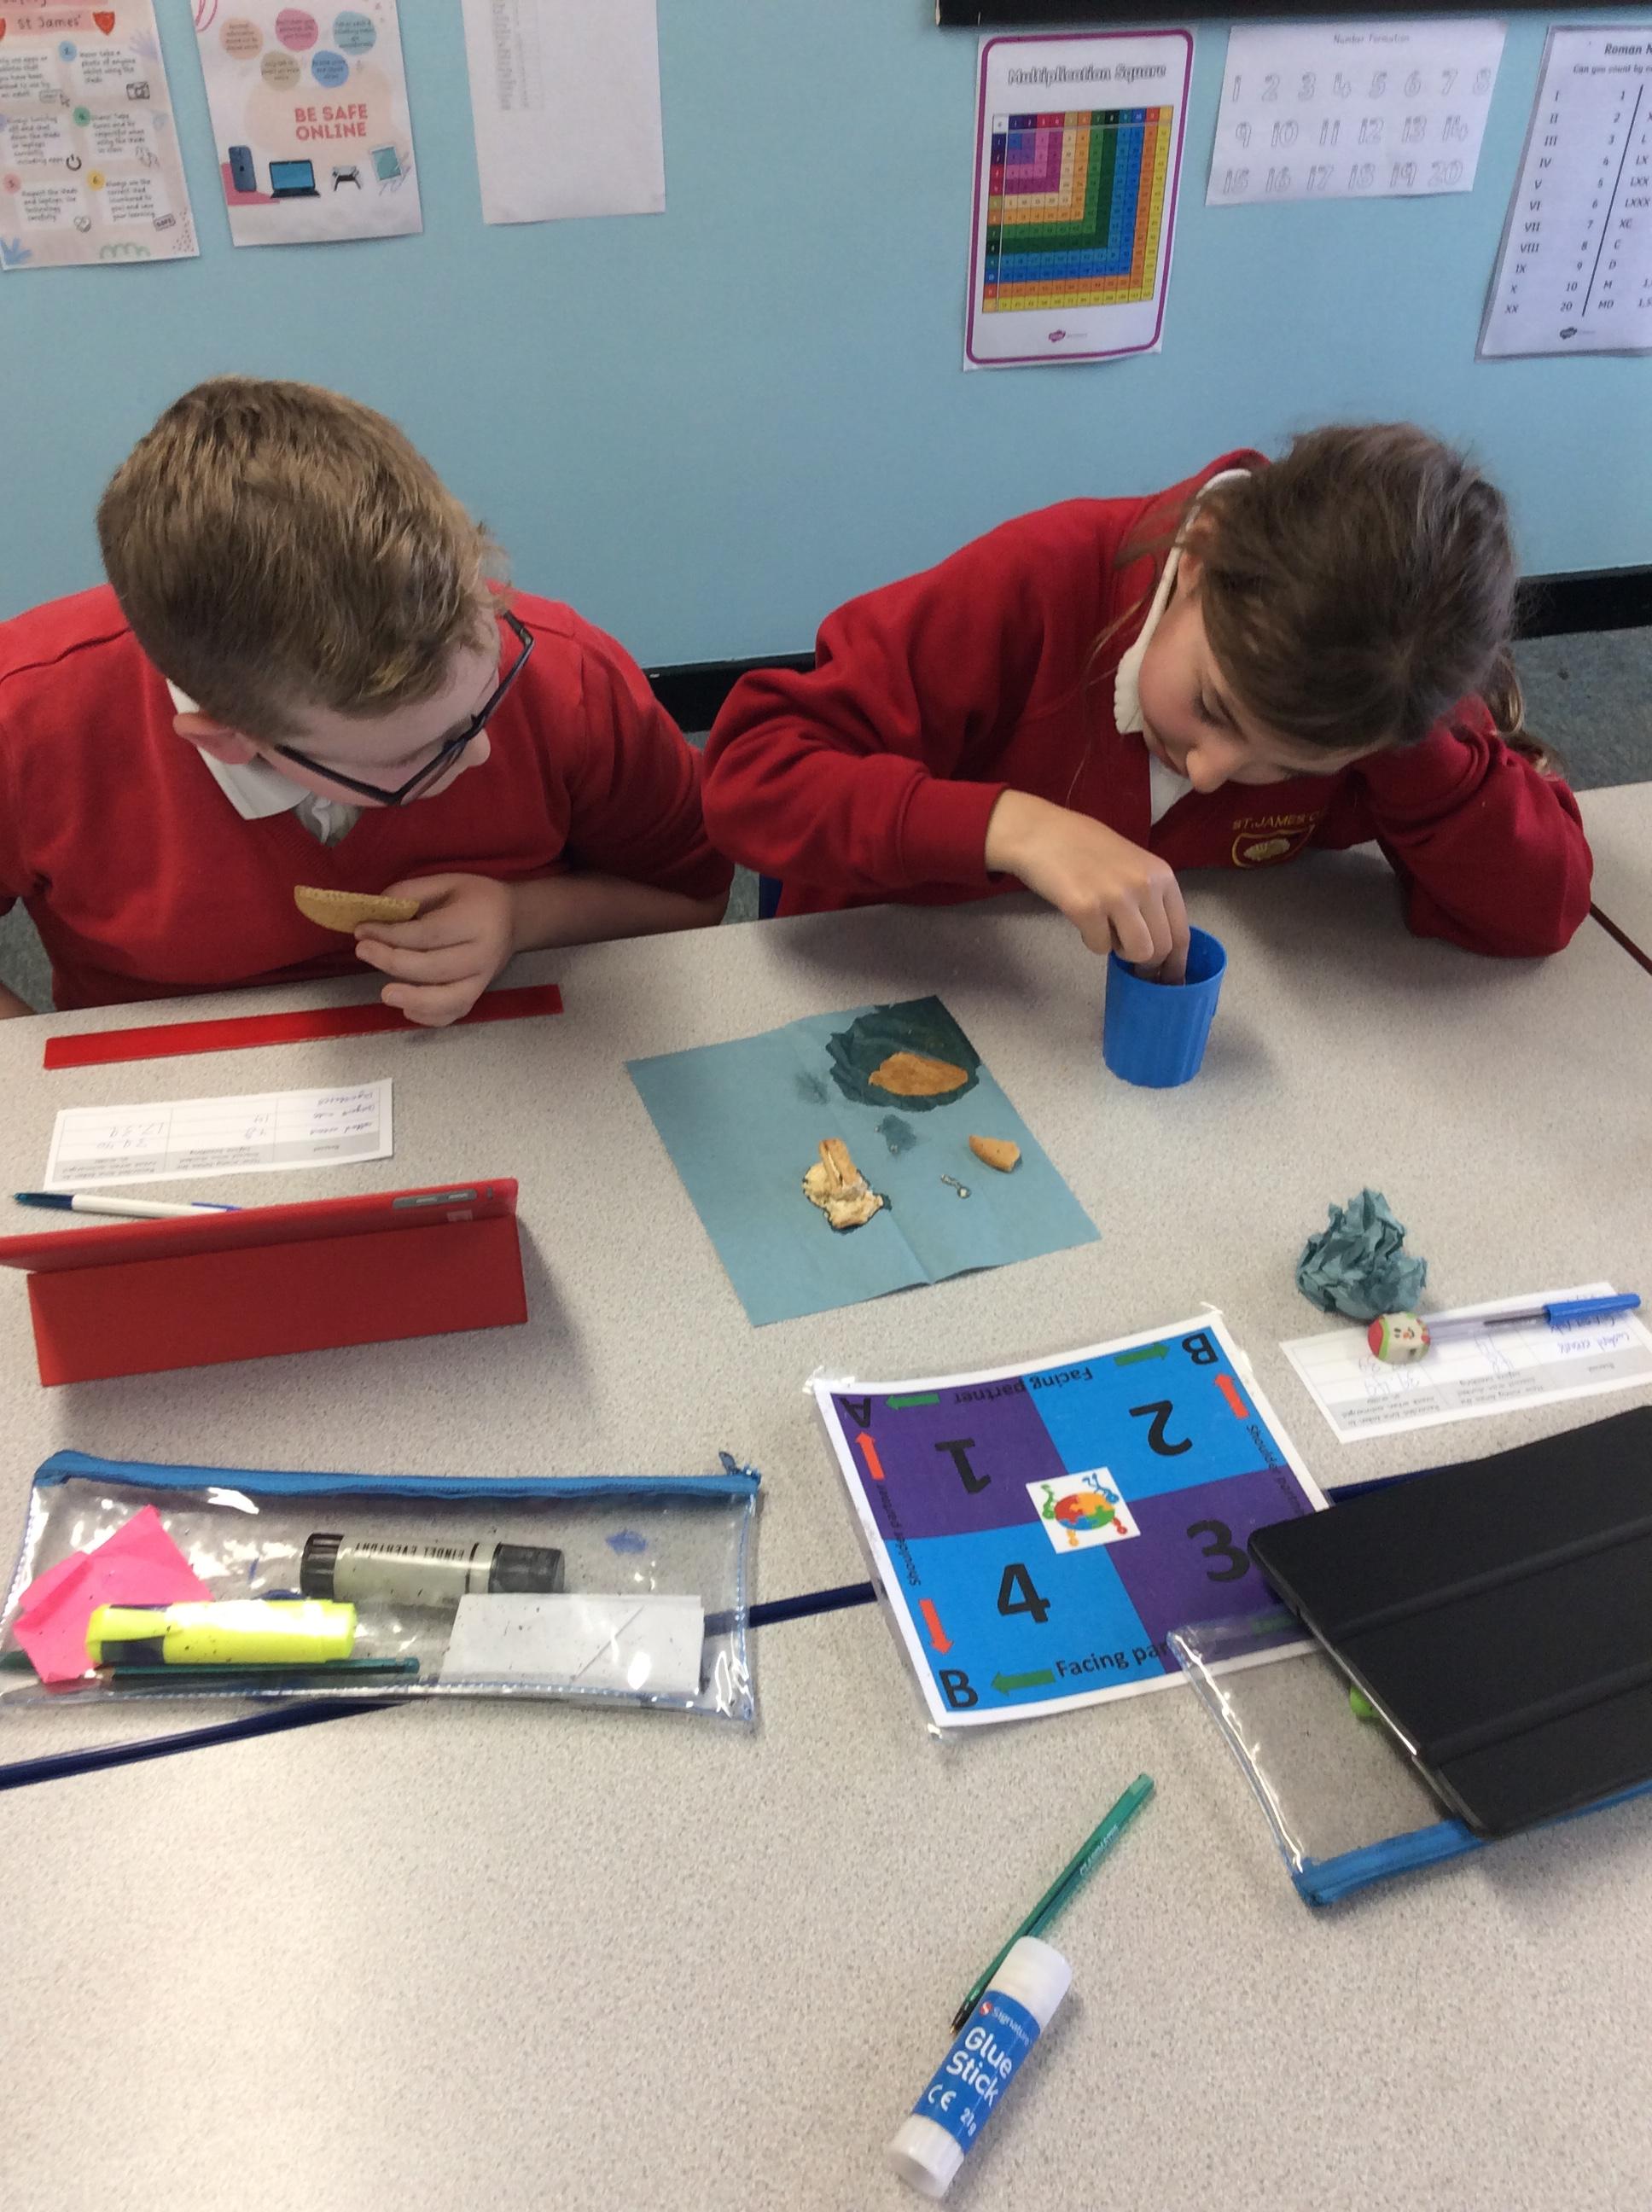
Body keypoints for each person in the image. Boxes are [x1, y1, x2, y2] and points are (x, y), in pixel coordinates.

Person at [702, 424, 1591, 975]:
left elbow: (1540, 909)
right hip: (895, 976)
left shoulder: (1378, 685)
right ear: (1199, 554)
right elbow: (750, 774)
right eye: (1214, 706)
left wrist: (1408, 734)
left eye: (1285, 765)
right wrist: (1014, 827)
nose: (1210, 773)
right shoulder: (1038, 581)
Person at [0, 377, 730, 1023]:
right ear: (228, 739)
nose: (481, 750)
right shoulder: (26, 720)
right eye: (423, 752)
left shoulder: (567, 675)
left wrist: (522, 915)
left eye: (491, 685)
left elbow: (693, 896)